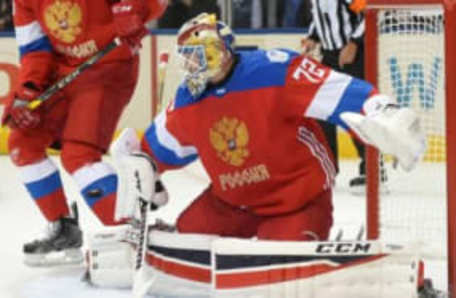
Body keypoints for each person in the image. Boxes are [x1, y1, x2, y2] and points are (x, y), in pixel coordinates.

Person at [125, 13, 424, 242]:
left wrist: (381, 110)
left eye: (200, 57)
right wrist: (143, 165)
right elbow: (158, 148)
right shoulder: (188, 99)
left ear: (221, 51)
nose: (193, 67)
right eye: (188, 60)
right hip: (231, 204)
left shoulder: (273, 70)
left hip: (296, 202)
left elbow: (338, 90)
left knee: (282, 265)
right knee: (187, 241)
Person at [4, 0, 167, 266]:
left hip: (107, 68)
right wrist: (28, 90)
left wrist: (136, 9)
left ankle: (132, 230)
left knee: (79, 156)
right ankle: (63, 228)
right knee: (23, 142)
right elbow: (35, 49)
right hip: (62, 73)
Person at [300, 0, 378, 193]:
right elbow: (320, 17)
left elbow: (368, 12)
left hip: (353, 55)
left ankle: (373, 171)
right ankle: (328, 168)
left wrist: (354, 44)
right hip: (329, 56)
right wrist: (312, 37)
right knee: (322, 112)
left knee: (356, 111)